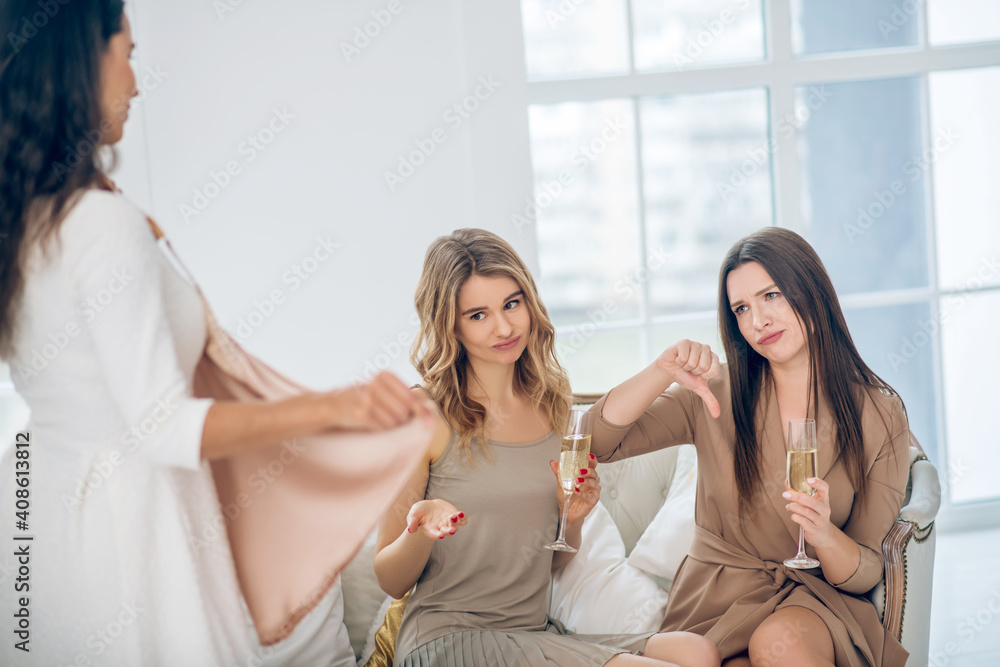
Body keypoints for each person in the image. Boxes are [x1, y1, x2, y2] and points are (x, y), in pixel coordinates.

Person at [0, 2, 430, 664]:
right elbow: (163, 426)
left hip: (40, 521)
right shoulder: (100, 225)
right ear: (81, 58)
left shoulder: (25, 224)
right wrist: (336, 407)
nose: (136, 83)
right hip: (132, 533)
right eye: (127, 54)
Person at [374, 228, 721, 667]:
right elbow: (390, 580)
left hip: (529, 633)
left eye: (511, 304)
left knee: (696, 652)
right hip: (447, 641)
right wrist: (420, 532)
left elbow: (549, 566)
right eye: (478, 315)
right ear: (451, 325)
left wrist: (571, 520)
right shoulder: (423, 415)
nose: (504, 327)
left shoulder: (551, 407)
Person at [590, 227, 911, 667]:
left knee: (780, 644)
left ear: (812, 290)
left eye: (771, 296)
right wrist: (662, 369)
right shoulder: (713, 391)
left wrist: (824, 535)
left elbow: (868, 568)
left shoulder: (879, 413)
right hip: (716, 600)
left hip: (814, 599)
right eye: (741, 308)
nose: (757, 320)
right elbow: (596, 443)